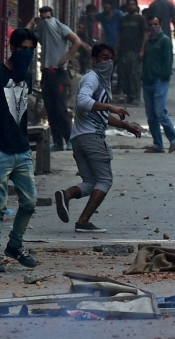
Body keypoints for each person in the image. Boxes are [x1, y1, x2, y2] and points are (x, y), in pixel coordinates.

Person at [54, 43, 143, 233]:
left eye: (110, 58)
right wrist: (111, 107)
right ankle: (83, 221)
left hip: (79, 138)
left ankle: (67, 194)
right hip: (92, 137)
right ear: (94, 59)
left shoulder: (100, 82)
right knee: (105, 180)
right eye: (104, 57)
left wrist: (127, 126)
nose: (108, 61)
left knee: (90, 182)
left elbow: (101, 115)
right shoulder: (92, 79)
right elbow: (83, 102)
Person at [0, 28, 40, 273]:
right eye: (23, 48)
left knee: (29, 202)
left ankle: (14, 245)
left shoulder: (26, 76)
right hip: (1, 150)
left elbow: (21, 111)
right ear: (12, 48)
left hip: (21, 149)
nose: (27, 53)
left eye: (31, 49)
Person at [29, 6, 85, 151]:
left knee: (60, 108)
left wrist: (65, 58)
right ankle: (58, 142)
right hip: (47, 73)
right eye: (43, 18)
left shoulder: (60, 27)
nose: (47, 21)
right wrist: (32, 22)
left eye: (48, 18)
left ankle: (70, 139)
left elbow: (77, 42)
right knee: (51, 108)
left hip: (59, 73)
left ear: (53, 16)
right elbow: (24, 35)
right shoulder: (41, 31)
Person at [141, 16, 175, 154]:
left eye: (155, 24)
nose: (153, 27)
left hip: (159, 81)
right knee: (151, 116)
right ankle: (158, 144)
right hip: (147, 81)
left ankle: (174, 139)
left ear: (161, 25)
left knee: (160, 112)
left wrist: (163, 77)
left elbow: (168, 61)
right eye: (150, 24)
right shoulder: (149, 42)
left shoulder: (164, 41)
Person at [116, 0, 147, 105]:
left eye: (133, 4)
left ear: (136, 6)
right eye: (129, 4)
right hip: (123, 51)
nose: (131, 6)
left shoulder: (140, 19)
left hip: (135, 51)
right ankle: (128, 96)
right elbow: (119, 35)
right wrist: (116, 49)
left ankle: (136, 97)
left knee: (134, 75)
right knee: (123, 74)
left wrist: (142, 50)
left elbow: (145, 35)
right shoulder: (123, 19)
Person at [77, 2, 99, 72]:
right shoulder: (84, 19)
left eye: (93, 12)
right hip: (82, 42)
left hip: (88, 41)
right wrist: (87, 45)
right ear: (87, 12)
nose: (91, 14)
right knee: (83, 59)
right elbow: (85, 32)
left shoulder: (93, 19)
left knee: (87, 59)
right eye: (90, 12)